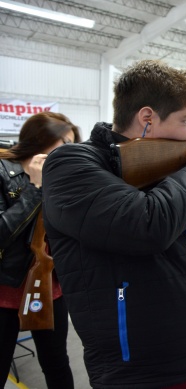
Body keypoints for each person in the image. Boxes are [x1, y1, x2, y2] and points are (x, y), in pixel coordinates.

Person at [42, 60, 186, 389]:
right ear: (147, 118)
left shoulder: (172, 173)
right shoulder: (70, 164)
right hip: (144, 374)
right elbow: (147, 226)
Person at [0, 111, 79, 388]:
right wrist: (35, 188)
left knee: (57, 363)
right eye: (63, 144)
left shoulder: (64, 177)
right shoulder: (3, 171)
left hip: (49, 287)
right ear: (39, 142)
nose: (68, 152)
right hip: (5, 291)